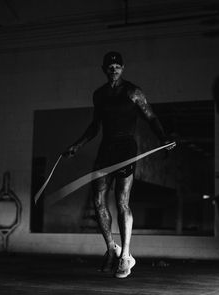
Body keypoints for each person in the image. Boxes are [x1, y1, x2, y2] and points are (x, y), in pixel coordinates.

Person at [63, 51, 175, 278]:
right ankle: (112, 248)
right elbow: (95, 126)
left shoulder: (133, 92)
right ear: (104, 69)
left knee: (122, 201)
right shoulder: (99, 95)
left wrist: (163, 138)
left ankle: (126, 256)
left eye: (117, 66)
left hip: (126, 149)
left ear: (122, 68)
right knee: (97, 200)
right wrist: (77, 145)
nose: (113, 69)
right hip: (106, 149)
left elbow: (151, 117)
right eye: (109, 66)